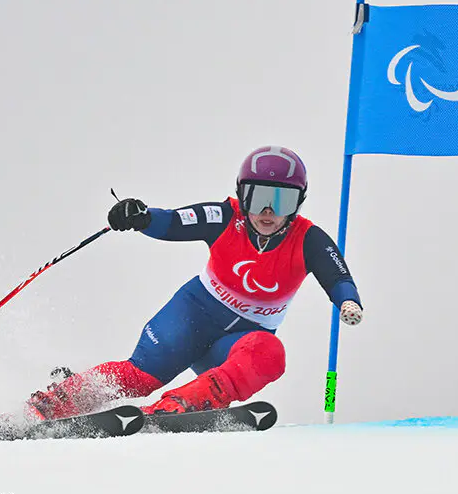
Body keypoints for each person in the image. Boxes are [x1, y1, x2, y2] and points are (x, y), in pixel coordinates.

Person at [25, 146, 363, 420]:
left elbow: (338, 276)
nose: (268, 211)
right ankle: (56, 402)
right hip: (190, 320)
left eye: (282, 201)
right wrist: (141, 217)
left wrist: (348, 301)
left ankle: (179, 406)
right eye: (258, 196)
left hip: (236, 345)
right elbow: (174, 222)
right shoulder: (225, 216)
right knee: (141, 378)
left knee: (271, 354)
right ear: (241, 195)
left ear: (298, 203)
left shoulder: (308, 239)